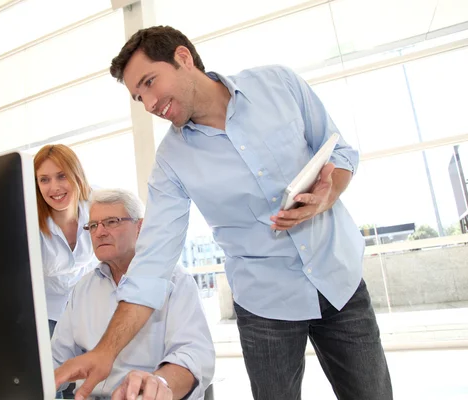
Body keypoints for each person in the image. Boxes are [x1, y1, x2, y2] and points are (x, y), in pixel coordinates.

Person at [56, 26, 393, 400]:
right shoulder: (171, 162)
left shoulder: (278, 84)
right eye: (139, 97)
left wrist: (331, 193)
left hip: (339, 279)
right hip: (266, 306)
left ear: (183, 58)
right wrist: (105, 352)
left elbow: (340, 154)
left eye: (150, 83)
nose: (149, 104)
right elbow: (151, 265)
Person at [52, 189, 215, 400]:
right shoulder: (83, 289)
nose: (99, 232)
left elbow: (195, 355)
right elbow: (57, 358)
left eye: (111, 222)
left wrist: (160, 383)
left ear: (140, 227)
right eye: (93, 225)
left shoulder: (175, 281)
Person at [34, 144, 97, 337]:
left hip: (89, 308)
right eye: (44, 180)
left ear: (76, 174)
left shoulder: (97, 204)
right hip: (47, 316)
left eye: (62, 176)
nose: (54, 187)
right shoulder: (28, 220)